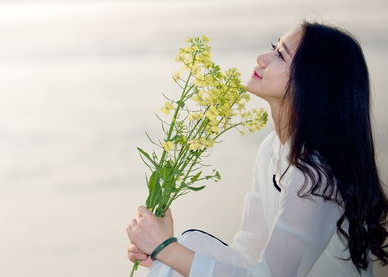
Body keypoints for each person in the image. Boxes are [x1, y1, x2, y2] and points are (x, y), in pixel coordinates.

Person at [125, 20, 388, 276]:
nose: (263, 58)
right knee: (188, 245)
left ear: (312, 82)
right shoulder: (272, 149)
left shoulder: (314, 175)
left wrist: (165, 249)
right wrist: (164, 248)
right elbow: (248, 254)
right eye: (274, 48)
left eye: (280, 56)